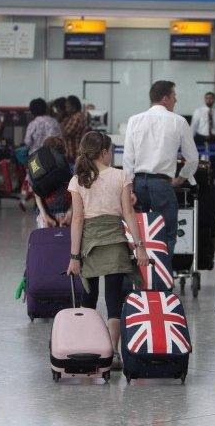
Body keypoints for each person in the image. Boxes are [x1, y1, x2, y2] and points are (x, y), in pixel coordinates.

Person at [66, 131, 149, 370]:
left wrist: (74, 257)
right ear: (103, 152)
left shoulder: (77, 180)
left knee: (88, 299)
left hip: (89, 246)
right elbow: (129, 214)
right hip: (115, 244)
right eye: (110, 151)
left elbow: (78, 220)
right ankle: (112, 354)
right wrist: (139, 247)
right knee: (114, 301)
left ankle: (87, 348)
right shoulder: (120, 176)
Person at [123, 80, 199, 257]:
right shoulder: (178, 121)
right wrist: (181, 178)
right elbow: (193, 158)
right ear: (165, 99)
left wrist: (129, 190)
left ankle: (139, 280)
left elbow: (128, 161)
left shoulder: (134, 121)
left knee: (136, 233)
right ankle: (161, 279)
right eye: (174, 96)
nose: (176, 100)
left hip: (138, 184)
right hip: (163, 185)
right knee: (167, 234)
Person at [34, 136, 73, 228]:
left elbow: (37, 194)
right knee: (67, 241)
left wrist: (44, 216)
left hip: (46, 215)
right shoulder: (71, 168)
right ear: (64, 152)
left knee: (47, 242)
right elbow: (78, 193)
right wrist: (71, 212)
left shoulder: (39, 171)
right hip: (67, 215)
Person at [60, 95, 87, 164]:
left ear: (74, 107)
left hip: (74, 155)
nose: (66, 109)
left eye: (67, 107)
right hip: (74, 155)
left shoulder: (77, 117)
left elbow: (66, 133)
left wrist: (61, 121)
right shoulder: (75, 117)